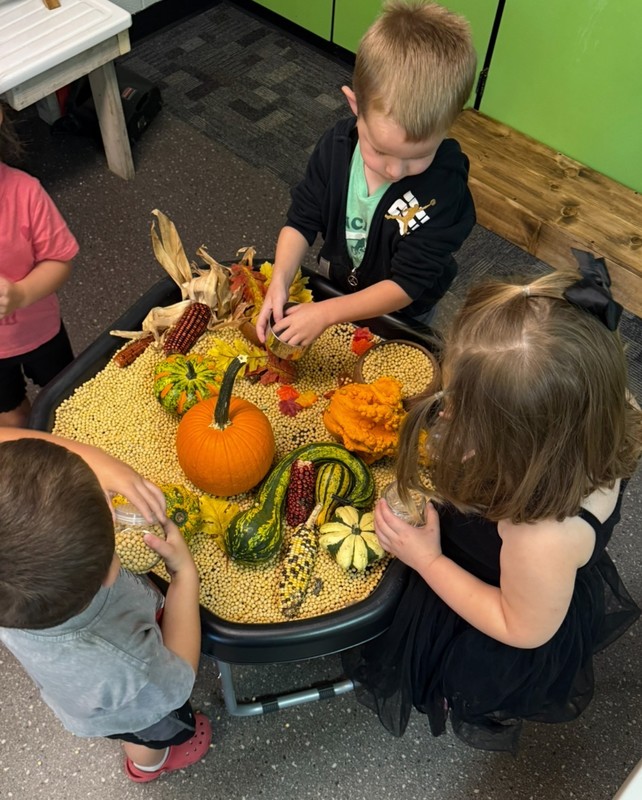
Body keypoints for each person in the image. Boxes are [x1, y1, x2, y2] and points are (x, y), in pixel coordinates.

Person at [342, 262, 642, 753]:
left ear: (523, 449)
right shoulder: (602, 413)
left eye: (465, 412)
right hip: (524, 556)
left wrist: (429, 560)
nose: (447, 413)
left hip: (500, 601)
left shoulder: (539, 538)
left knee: (452, 661)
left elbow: (519, 626)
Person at [255, 1, 477, 347]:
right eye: (380, 150)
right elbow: (301, 220)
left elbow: (406, 286)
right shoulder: (336, 148)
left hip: (402, 309)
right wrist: (281, 279)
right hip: (340, 275)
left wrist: (327, 314)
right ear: (355, 106)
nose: (395, 170)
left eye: (418, 156)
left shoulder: (444, 189)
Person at [0, 429, 211, 782]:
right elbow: (178, 678)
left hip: (68, 685)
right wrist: (184, 577)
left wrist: (101, 463)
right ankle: (147, 765)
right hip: (126, 706)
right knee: (149, 730)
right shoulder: (127, 664)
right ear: (113, 569)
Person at [0, 102, 78, 427]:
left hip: (42, 332)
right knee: (11, 418)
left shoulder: (25, 193)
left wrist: (20, 294)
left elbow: (60, 259)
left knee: (67, 400)